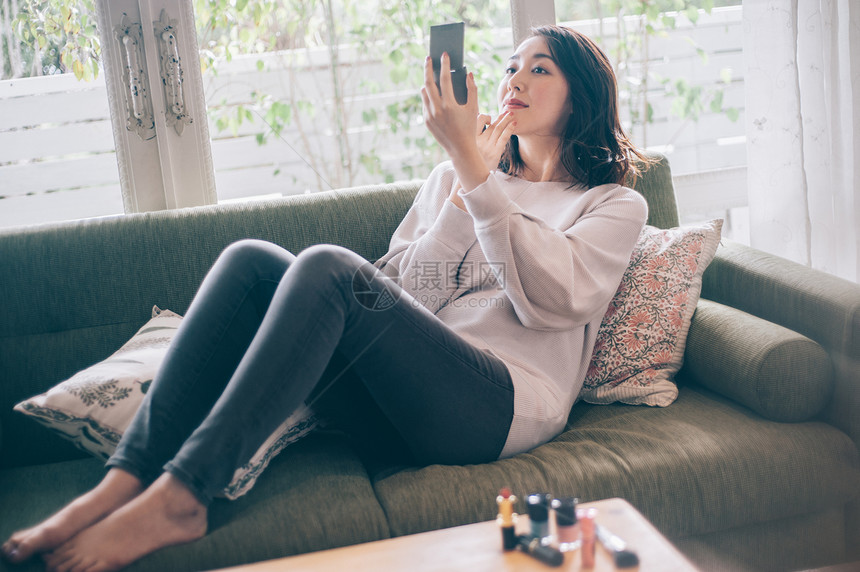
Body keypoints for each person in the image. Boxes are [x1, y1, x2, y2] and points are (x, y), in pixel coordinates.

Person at [2, 25, 650, 572]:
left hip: (497, 407)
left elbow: (554, 301)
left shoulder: (611, 204)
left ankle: (185, 493)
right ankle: (126, 478)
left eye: (540, 69)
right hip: (403, 402)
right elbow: (408, 296)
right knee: (252, 261)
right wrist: (465, 181)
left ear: (582, 95)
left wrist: (477, 180)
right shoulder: (455, 177)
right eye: (511, 66)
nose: (515, 79)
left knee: (328, 266)